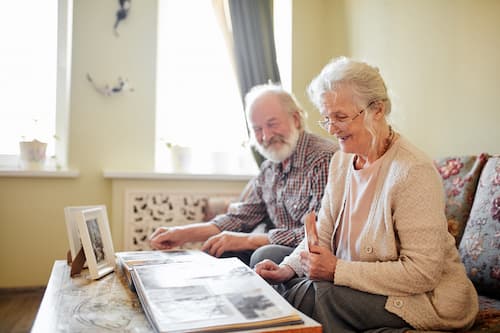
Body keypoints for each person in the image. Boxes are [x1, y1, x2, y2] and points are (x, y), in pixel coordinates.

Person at [255, 57, 479, 332]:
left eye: (341, 116)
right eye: (327, 118)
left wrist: (337, 270)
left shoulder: (412, 171)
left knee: (316, 296)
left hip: (417, 296)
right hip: (353, 277)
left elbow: (423, 273)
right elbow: (322, 232)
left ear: (377, 110)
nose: (332, 128)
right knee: (265, 257)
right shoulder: (341, 161)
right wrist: (288, 268)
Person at [150, 83, 339, 267]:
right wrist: (180, 234)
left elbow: (317, 234)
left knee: (265, 254)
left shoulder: (322, 159)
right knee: (220, 247)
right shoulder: (269, 168)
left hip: (309, 252)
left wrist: (249, 240)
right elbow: (240, 218)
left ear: (296, 120)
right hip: (278, 246)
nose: (265, 136)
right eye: (257, 129)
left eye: (272, 124)